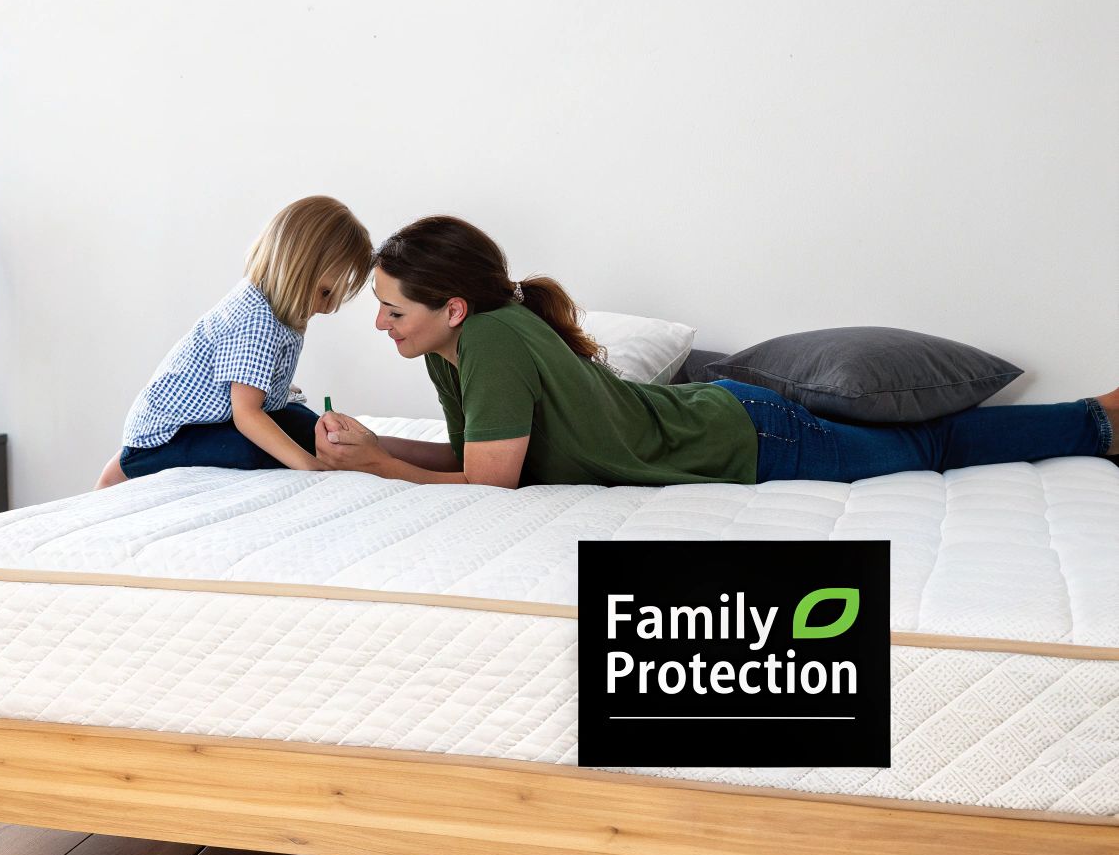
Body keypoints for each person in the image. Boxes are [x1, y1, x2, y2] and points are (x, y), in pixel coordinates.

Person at [318, 215, 1118, 487]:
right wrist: (375, 441)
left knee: (929, 445)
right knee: (925, 445)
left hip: (745, 440)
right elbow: (475, 457)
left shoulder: (491, 339)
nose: (380, 324)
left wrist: (378, 466)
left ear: (450, 307)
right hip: (723, 418)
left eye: (391, 309)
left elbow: (487, 486)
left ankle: (1099, 420)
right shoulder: (451, 344)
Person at [94, 196, 372, 489]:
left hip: (206, 417)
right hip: (168, 436)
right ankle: (127, 466)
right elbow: (247, 416)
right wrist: (310, 468)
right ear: (296, 269)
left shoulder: (271, 307)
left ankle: (381, 452)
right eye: (325, 293)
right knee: (252, 449)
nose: (328, 308)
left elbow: (237, 372)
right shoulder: (256, 321)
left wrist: (273, 385)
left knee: (302, 422)